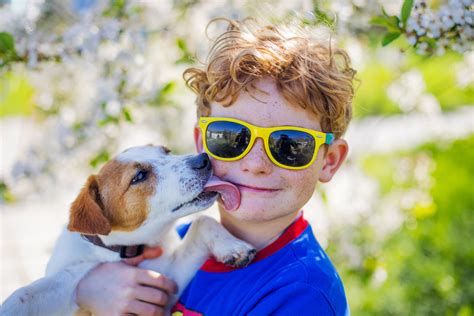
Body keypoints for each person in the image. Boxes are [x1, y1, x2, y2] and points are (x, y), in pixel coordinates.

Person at [76, 17, 355, 315]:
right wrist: (85, 291)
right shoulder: (174, 243)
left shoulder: (302, 294)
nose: (256, 164)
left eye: (290, 145)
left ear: (330, 161)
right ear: (202, 142)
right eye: (232, 137)